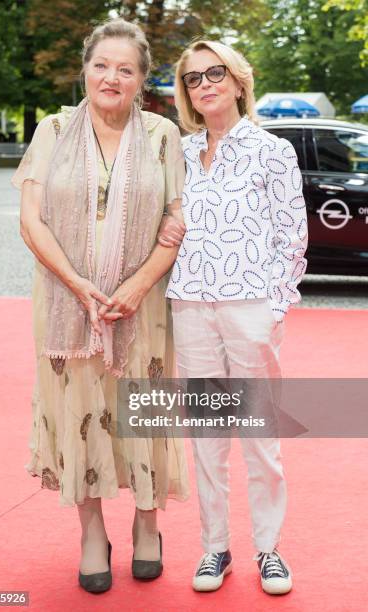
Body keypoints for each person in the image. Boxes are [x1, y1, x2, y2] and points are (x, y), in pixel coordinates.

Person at [12, 18, 189, 594]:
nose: (111, 77)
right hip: (67, 304)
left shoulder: (163, 135)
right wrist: (77, 284)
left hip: (145, 305)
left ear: (141, 81)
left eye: (126, 69)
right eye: (101, 65)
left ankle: (147, 523)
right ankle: (92, 532)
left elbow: (175, 221)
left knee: (143, 410)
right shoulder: (52, 129)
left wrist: (136, 287)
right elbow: (31, 218)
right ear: (84, 70)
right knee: (78, 408)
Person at [163, 40, 308, 594]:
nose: (205, 84)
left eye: (215, 73)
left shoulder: (273, 151)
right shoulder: (177, 151)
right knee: (206, 437)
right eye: (194, 78)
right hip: (191, 305)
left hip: (250, 309)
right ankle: (214, 548)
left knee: (258, 436)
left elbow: (291, 236)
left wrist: (272, 309)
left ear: (239, 80)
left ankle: (268, 549)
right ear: (187, 92)